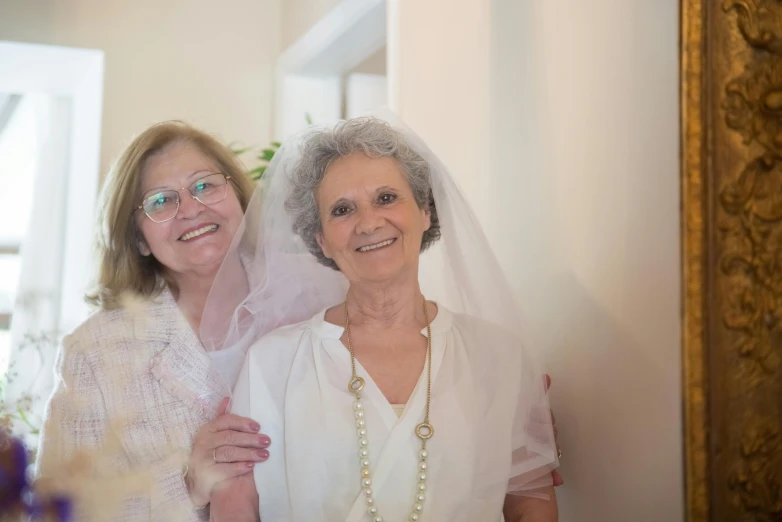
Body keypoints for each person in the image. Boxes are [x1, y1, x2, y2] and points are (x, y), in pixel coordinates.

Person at [207, 116, 560, 521]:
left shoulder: (497, 356)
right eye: (342, 210)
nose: (369, 222)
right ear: (320, 238)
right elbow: (237, 502)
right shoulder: (272, 364)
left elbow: (529, 502)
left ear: (425, 211)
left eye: (387, 198)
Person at [35, 121, 272, 522]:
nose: (192, 208)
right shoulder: (94, 352)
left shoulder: (313, 302)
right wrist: (188, 485)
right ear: (140, 239)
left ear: (238, 197)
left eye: (205, 185)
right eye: (161, 201)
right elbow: (57, 511)